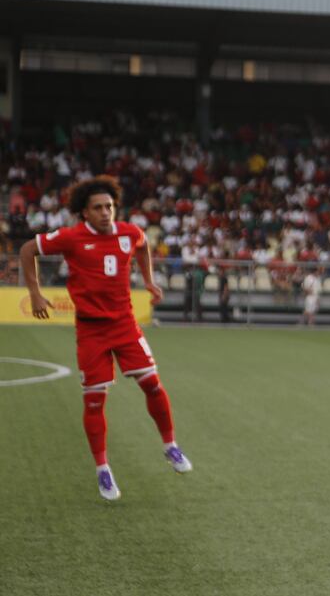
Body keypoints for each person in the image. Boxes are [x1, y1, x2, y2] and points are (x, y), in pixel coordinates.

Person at [19, 176, 192, 501]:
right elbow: (28, 249)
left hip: (125, 325)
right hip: (91, 330)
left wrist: (150, 282)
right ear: (84, 212)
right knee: (95, 400)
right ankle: (103, 469)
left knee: (152, 383)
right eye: (97, 207)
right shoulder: (71, 237)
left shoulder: (129, 232)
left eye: (109, 206)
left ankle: (171, 446)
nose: (105, 212)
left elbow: (142, 247)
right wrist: (35, 293)